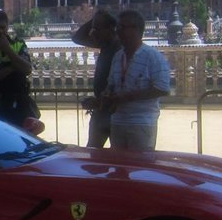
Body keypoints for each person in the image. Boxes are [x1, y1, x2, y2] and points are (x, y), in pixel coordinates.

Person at [103, 9, 171, 151]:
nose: (118, 32)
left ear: (136, 30)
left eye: (122, 27)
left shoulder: (153, 57)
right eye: (118, 27)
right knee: (118, 162)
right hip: (118, 120)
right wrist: (107, 94)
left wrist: (128, 97)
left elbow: (162, 89)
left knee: (140, 162)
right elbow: (111, 83)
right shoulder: (118, 56)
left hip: (142, 122)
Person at [72, 10, 120, 147]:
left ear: (110, 29)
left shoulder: (120, 48)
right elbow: (77, 38)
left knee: (117, 152)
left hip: (116, 109)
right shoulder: (105, 44)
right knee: (93, 149)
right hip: (100, 108)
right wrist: (95, 18)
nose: (93, 33)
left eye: (97, 29)